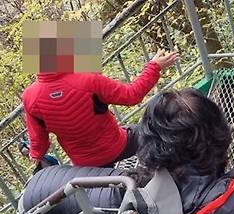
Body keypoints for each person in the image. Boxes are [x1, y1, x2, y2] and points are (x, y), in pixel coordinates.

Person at [23, 50, 178, 168]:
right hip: (117, 147)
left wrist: (35, 155)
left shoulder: (30, 97)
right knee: (154, 132)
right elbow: (131, 95)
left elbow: (39, 143)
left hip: (85, 164)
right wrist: (154, 66)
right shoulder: (88, 80)